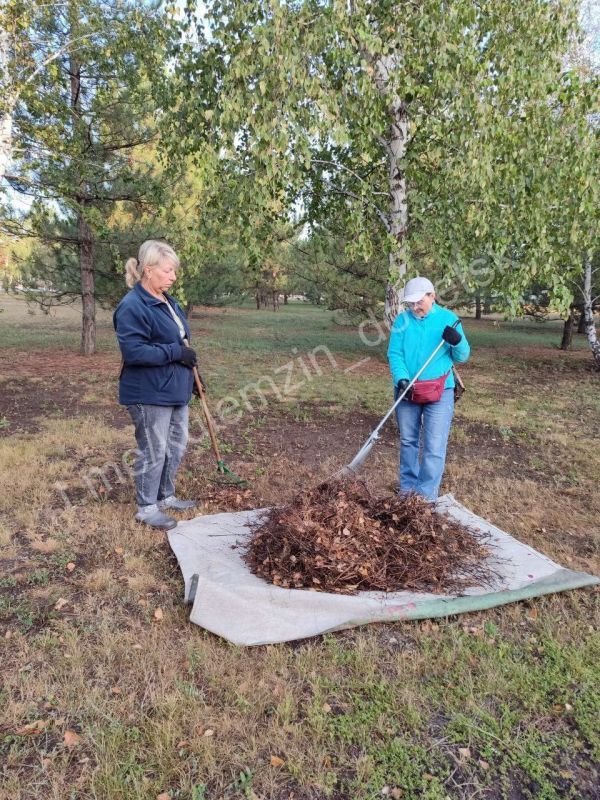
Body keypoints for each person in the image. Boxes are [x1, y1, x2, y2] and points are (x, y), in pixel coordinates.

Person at [114, 240, 198, 531]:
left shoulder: (168, 301)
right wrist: (177, 354)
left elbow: (181, 341)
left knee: (176, 446)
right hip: (148, 393)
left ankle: (165, 496)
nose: (173, 276)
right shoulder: (132, 306)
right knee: (154, 449)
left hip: (175, 389)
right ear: (148, 270)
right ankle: (147, 508)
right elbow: (134, 352)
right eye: (168, 270)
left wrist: (193, 375)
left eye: (174, 270)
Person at [387, 276, 470, 502]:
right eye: (411, 303)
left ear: (432, 296)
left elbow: (462, 356)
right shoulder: (402, 321)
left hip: (439, 392)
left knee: (434, 446)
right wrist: (402, 378)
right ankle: (407, 492)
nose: (415, 307)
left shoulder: (448, 319)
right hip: (408, 390)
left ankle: (425, 499)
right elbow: (395, 353)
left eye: (419, 302)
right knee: (408, 441)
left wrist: (457, 341)